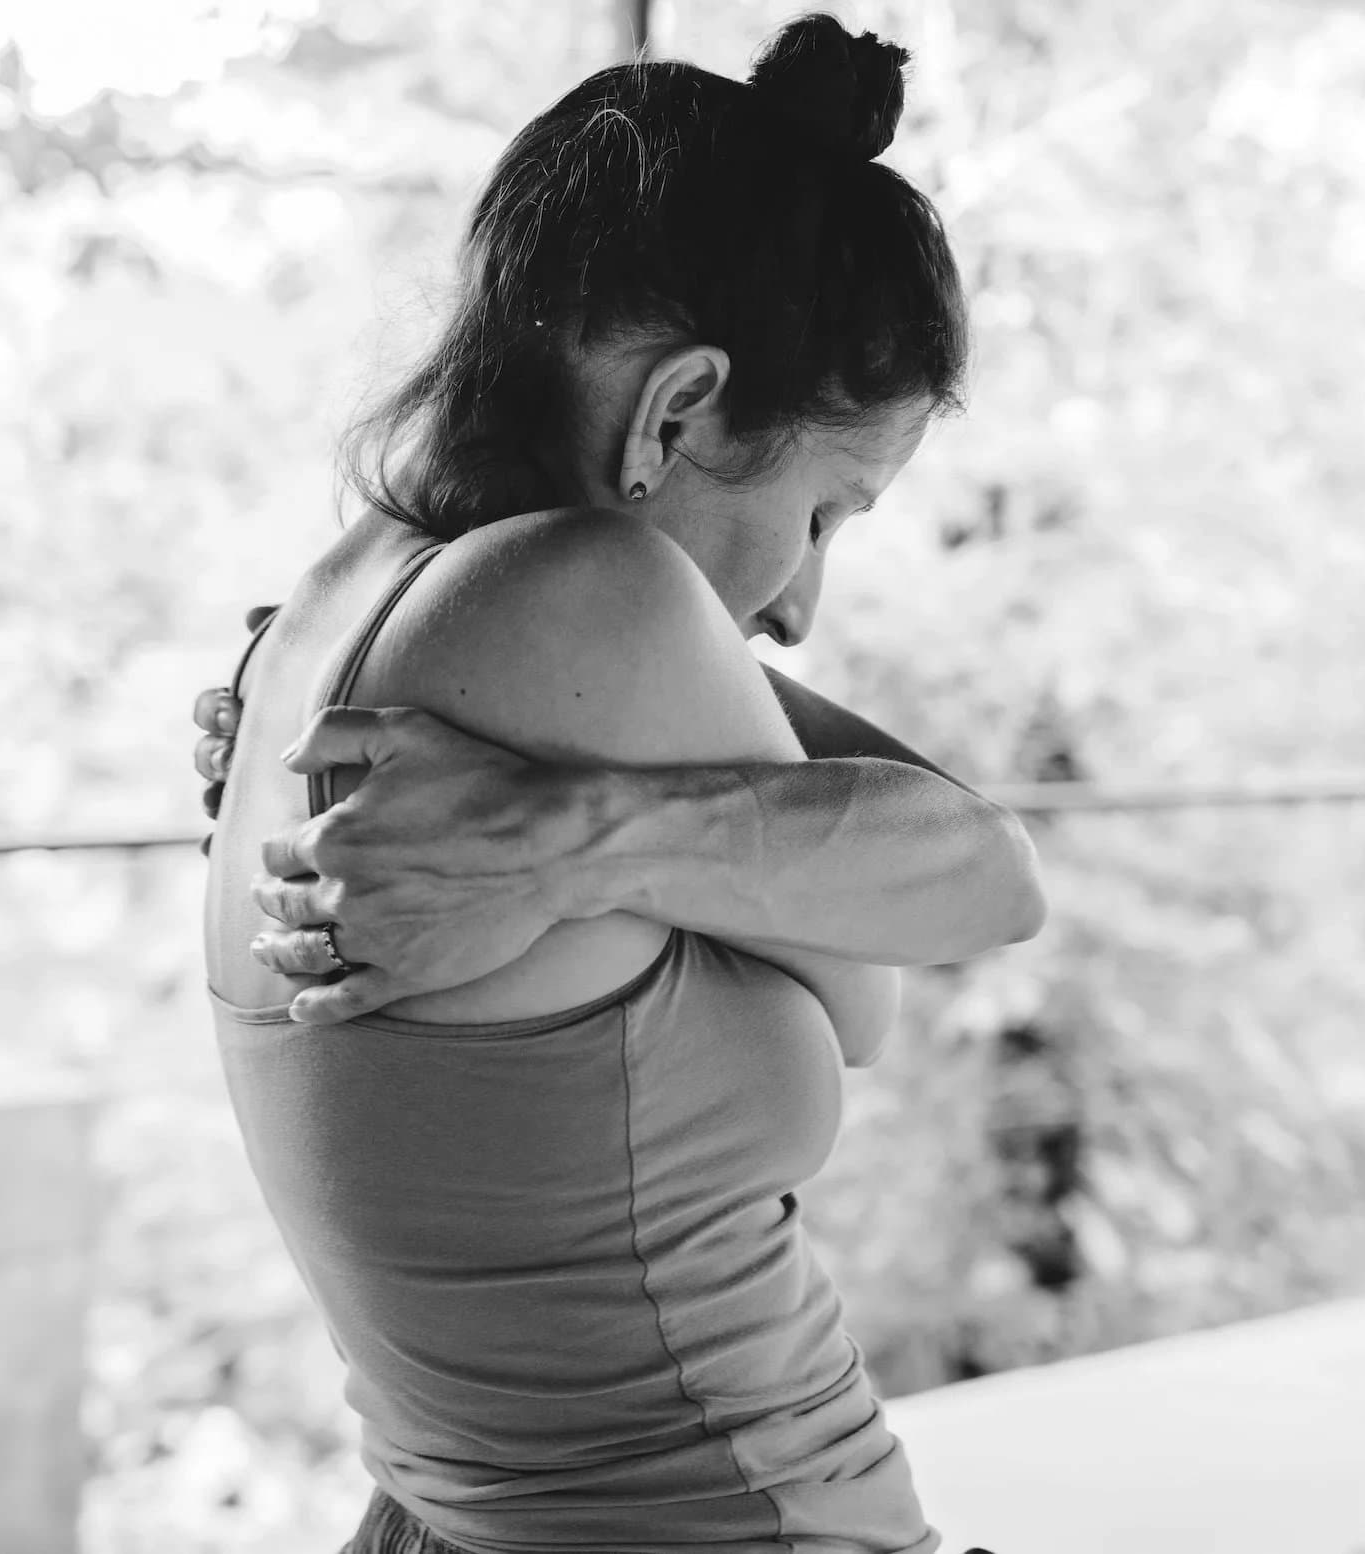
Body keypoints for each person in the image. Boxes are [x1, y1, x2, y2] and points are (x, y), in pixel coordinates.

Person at [197, 16, 1042, 1552]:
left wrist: (580, 832)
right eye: (825, 512)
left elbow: (946, 875)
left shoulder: (319, 621)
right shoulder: (591, 591)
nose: (801, 607)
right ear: (676, 411)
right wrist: (605, 835)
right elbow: (938, 925)